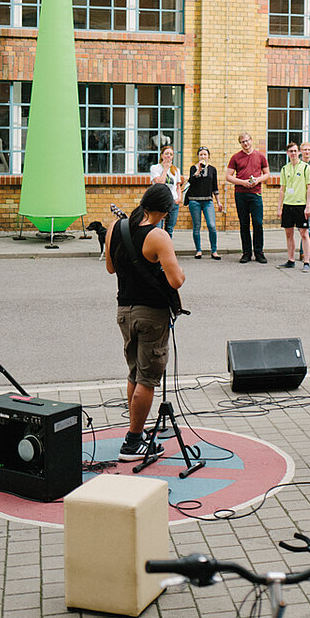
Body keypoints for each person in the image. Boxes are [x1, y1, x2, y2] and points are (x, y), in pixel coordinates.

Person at [105, 183, 186, 462]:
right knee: (148, 378)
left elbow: (111, 267)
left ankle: (133, 430)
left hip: (124, 310)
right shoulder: (159, 236)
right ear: (166, 210)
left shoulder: (116, 227)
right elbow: (176, 280)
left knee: (134, 373)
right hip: (151, 314)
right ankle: (133, 442)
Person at [227, 131, 270, 264]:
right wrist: (243, 182)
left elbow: (267, 173)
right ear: (240, 143)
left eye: (247, 141)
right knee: (244, 224)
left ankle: (259, 252)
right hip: (240, 193)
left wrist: (257, 180)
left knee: (257, 223)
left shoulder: (260, 156)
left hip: (255, 193)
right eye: (242, 142)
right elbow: (228, 176)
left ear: (251, 140)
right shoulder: (235, 157)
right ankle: (246, 252)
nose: (245, 144)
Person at [276, 141, 310, 272]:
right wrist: (279, 207)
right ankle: (290, 260)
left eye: (295, 151)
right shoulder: (284, 168)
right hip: (288, 205)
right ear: (287, 153)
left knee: (304, 233)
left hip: (301, 205)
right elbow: (282, 189)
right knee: (288, 234)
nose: (293, 153)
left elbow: (309, 187)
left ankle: (307, 262)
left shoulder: (305, 168)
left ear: (299, 152)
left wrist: (308, 206)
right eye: (290, 151)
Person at [185, 146, 222, 259]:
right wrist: (198, 170)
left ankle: (214, 250)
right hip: (194, 201)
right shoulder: (193, 168)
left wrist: (219, 202)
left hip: (208, 201)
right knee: (196, 226)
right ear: (198, 156)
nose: (203, 156)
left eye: (205, 154)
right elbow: (191, 181)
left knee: (211, 226)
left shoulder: (212, 169)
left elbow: (215, 187)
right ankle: (198, 250)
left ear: (208, 156)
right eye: (201, 154)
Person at [149, 146, 185, 237]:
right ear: (162, 155)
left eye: (171, 154)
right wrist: (165, 169)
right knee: (158, 228)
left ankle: (166, 249)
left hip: (173, 202)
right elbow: (160, 183)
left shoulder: (176, 170)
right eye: (166, 154)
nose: (169, 156)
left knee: (169, 229)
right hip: (160, 201)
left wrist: (179, 198)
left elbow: (177, 186)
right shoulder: (155, 168)